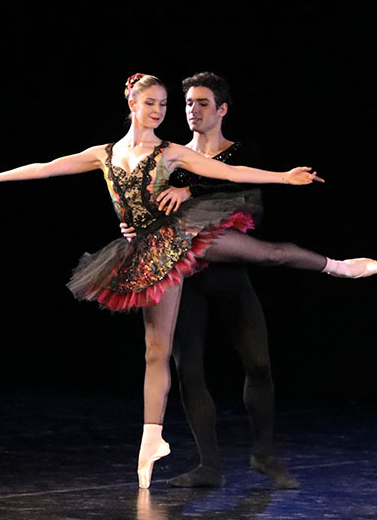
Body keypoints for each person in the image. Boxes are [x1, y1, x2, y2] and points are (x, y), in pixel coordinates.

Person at [0, 73, 377, 489]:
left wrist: (284, 176)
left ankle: (338, 266)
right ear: (132, 105)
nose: (158, 110)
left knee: (268, 253)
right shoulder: (103, 154)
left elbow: (231, 174)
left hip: (183, 233)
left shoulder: (171, 152)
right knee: (156, 351)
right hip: (150, 253)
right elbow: (48, 168)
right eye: (151, 103)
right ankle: (151, 439)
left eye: (163, 104)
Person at [119, 71, 305, 488]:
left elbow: (249, 207)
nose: (193, 110)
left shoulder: (240, 154)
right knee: (189, 369)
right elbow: (149, 207)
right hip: (186, 277)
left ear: (221, 109)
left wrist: (194, 193)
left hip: (229, 272)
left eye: (202, 103)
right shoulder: (170, 157)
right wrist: (133, 227)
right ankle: (209, 465)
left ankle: (263, 454)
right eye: (188, 103)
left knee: (258, 363)